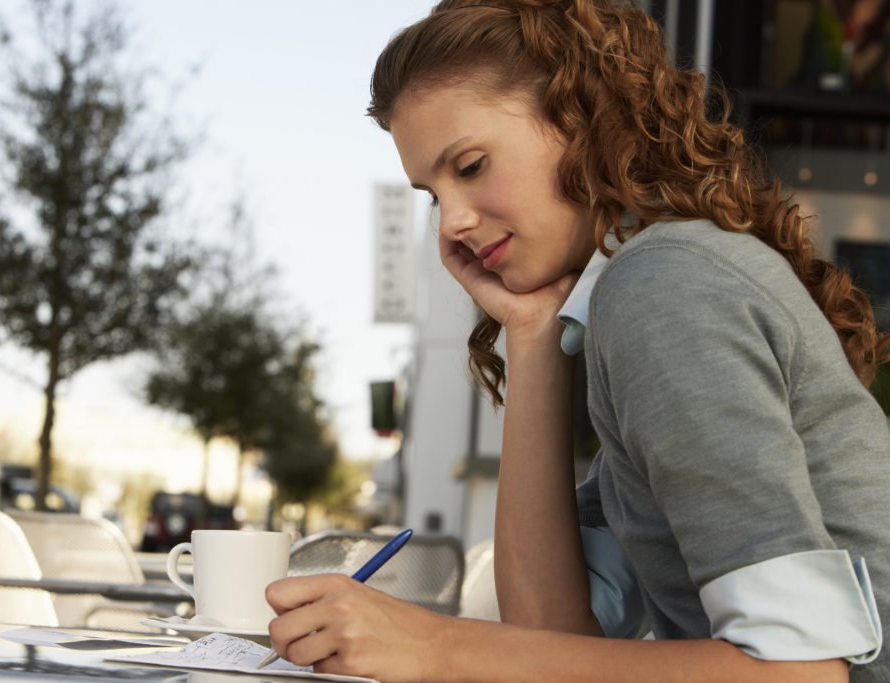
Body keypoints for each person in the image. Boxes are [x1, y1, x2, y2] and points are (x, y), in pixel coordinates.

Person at [264, 1, 890, 680]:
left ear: (581, 117)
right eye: (432, 195)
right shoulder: (639, 288)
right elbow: (552, 632)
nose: (452, 224)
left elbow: (802, 674)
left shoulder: (664, 286)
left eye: (469, 166)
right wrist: (530, 336)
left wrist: (434, 646)